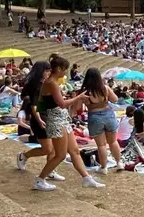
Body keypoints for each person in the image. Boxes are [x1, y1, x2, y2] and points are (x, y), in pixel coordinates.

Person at [32, 56, 102, 191]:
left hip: (60, 117)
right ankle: (40, 180)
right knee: (60, 155)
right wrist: (79, 97)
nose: (65, 72)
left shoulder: (52, 82)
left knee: (74, 150)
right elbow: (62, 104)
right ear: (59, 69)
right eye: (65, 69)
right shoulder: (51, 83)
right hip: (55, 119)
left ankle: (86, 178)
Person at [81, 68, 123, 174]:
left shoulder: (85, 92)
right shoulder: (105, 88)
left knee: (101, 145)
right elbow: (115, 99)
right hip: (108, 115)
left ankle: (104, 168)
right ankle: (119, 163)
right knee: (113, 141)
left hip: (94, 117)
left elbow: (78, 107)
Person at [16, 62, 55, 173]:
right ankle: (24, 156)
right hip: (40, 118)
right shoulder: (36, 86)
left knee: (54, 148)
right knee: (47, 149)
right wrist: (39, 120)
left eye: (49, 70)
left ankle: (50, 171)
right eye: (46, 70)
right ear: (40, 71)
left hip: (48, 116)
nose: (49, 73)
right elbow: (34, 106)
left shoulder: (45, 83)